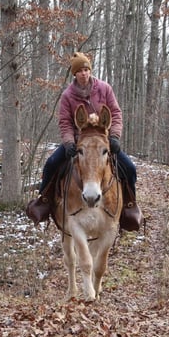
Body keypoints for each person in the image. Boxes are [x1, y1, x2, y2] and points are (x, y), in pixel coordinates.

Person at [26, 52, 142, 230]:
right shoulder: (68, 96)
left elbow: (116, 113)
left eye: (86, 69)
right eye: (80, 70)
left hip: (103, 141)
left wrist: (115, 137)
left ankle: (129, 206)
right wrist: (69, 142)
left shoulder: (104, 89)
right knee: (51, 163)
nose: (84, 73)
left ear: (90, 70)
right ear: (75, 74)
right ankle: (45, 201)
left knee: (130, 168)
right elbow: (65, 122)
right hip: (79, 143)